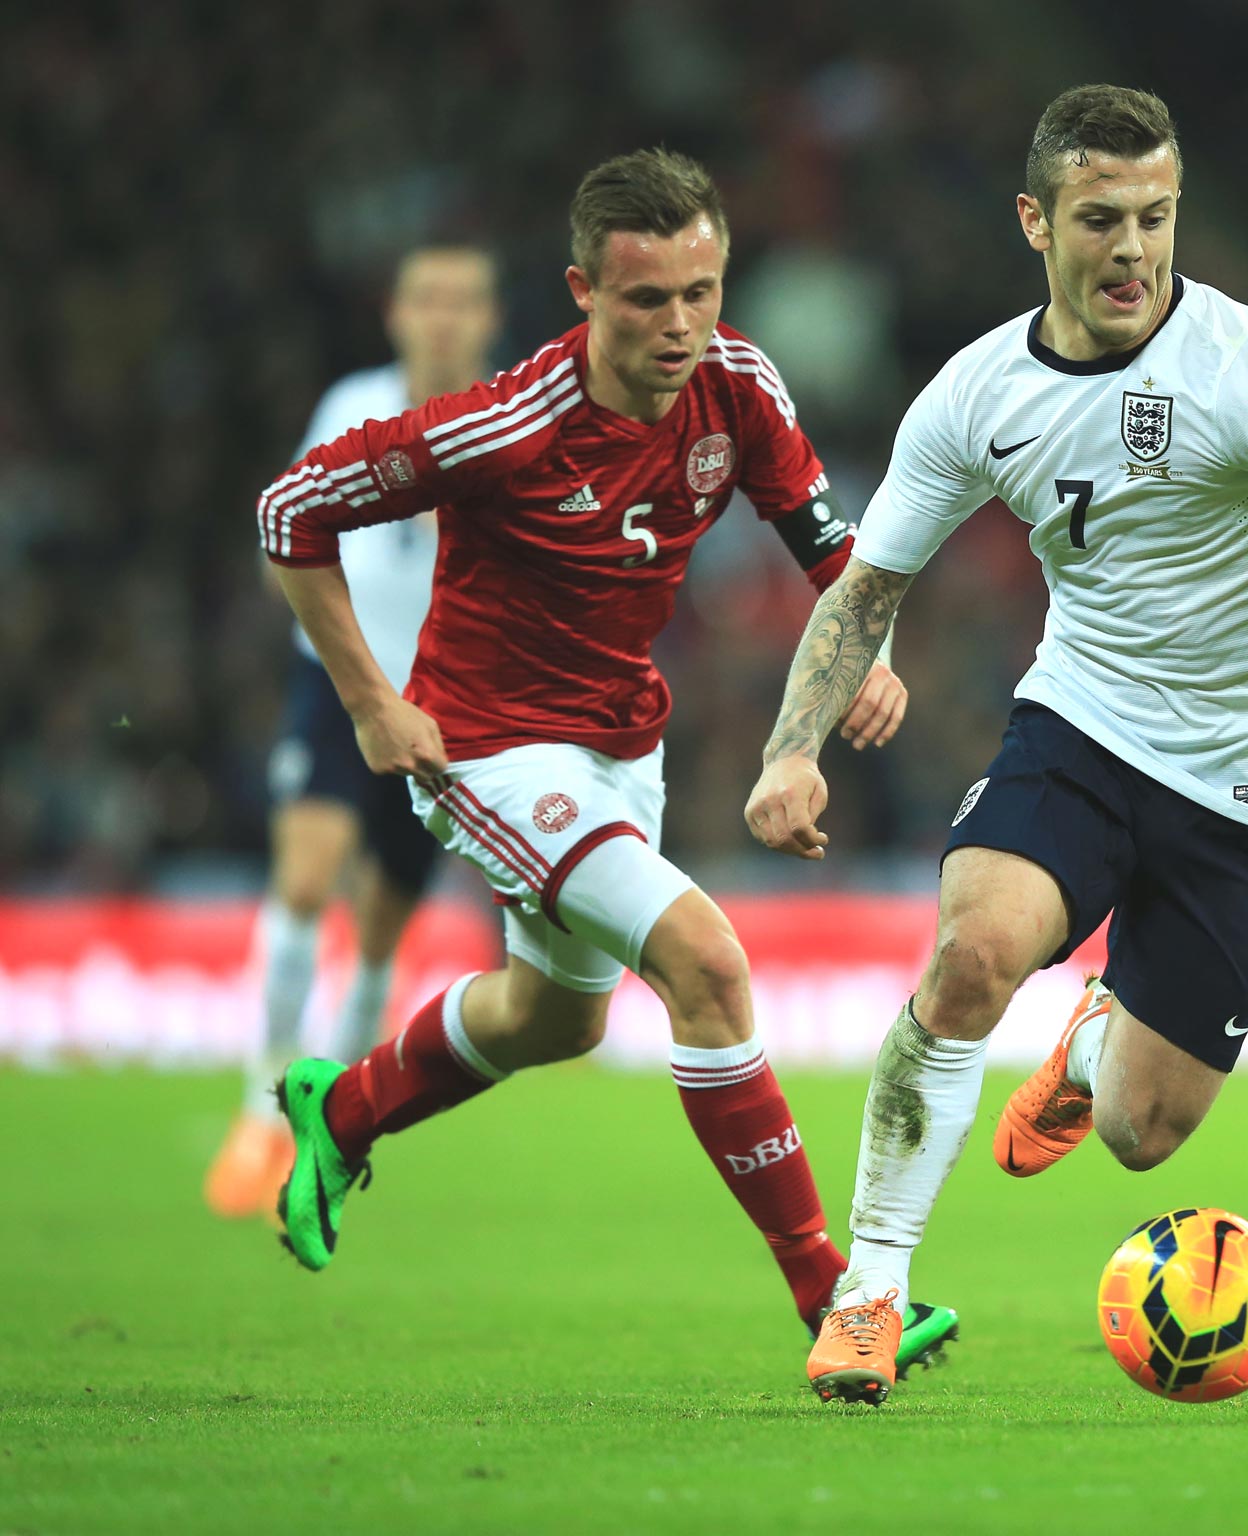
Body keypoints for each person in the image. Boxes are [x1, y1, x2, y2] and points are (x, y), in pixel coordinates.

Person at [746, 85, 1248, 1404]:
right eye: (1102, 219)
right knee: (968, 960)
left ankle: (1100, 1040)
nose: (1133, 250)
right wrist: (792, 747)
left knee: (1140, 1137)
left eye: (1157, 218)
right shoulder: (979, 395)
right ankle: (870, 1291)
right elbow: (867, 587)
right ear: (1034, 221)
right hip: (1088, 724)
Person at [253, 148, 955, 1371]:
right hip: (488, 750)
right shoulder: (500, 425)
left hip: (625, 743)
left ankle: (345, 1105)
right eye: (646, 299)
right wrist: (370, 703)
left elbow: (825, 545)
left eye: (701, 291)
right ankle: (835, 1302)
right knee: (707, 966)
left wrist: (865, 649)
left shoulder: (736, 384)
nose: (681, 324)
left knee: (552, 1019)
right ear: (582, 289)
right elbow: (288, 513)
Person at [206, 245, 500, 1221]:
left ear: (488, 318)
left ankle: (324, 1116)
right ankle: (257, 1103)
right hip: (335, 683)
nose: (444, 318)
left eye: (463, 301)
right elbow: (285, 528)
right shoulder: (350, 409)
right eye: (428, 299)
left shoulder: (506, 421)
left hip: (440, 700)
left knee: (380, 928)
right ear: (396, 314)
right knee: (302, 877)